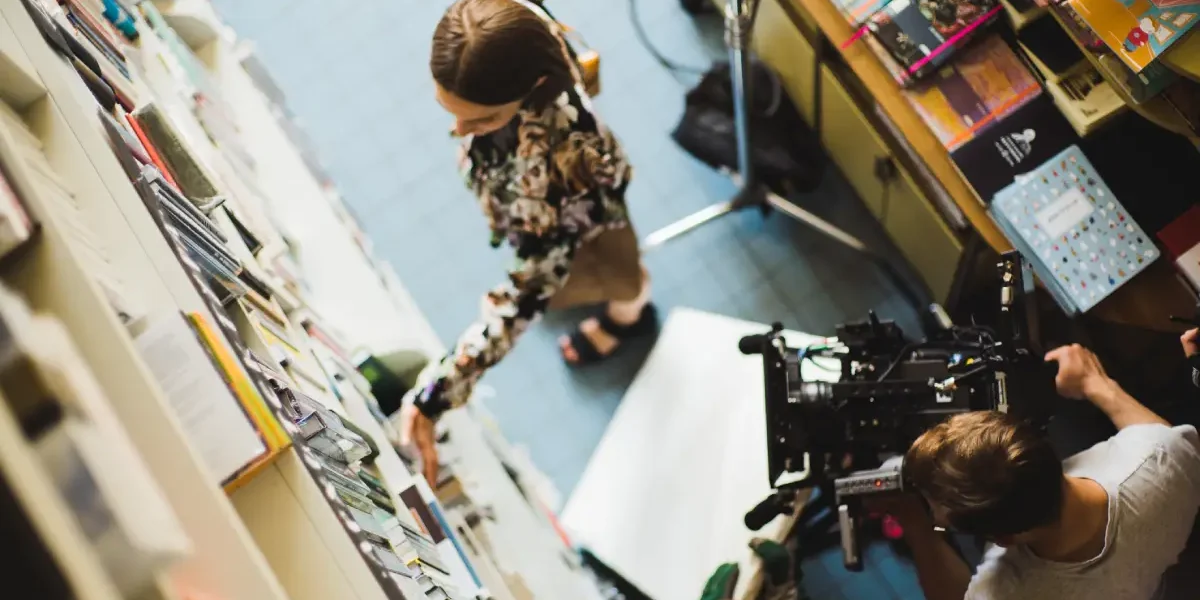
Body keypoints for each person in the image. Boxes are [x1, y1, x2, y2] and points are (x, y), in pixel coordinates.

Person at [400, 0, 656, 485]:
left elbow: (532, 285)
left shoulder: (568, 157)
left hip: (587, 223)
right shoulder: (510, 27)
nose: (458, 132)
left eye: (480, 121)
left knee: (619, 274)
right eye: (451, 112)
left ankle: (632, 316)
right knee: (579, 275)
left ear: (534, 88)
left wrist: (440, 391)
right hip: (548, 215)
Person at [876, 342, 1200, 600]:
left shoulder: (1005, 592)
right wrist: (1095, 383)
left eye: (937, 514)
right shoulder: (1163, 458)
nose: (932, 514)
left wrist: (916, 527)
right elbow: (1161, 435)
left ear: (1002, 539)